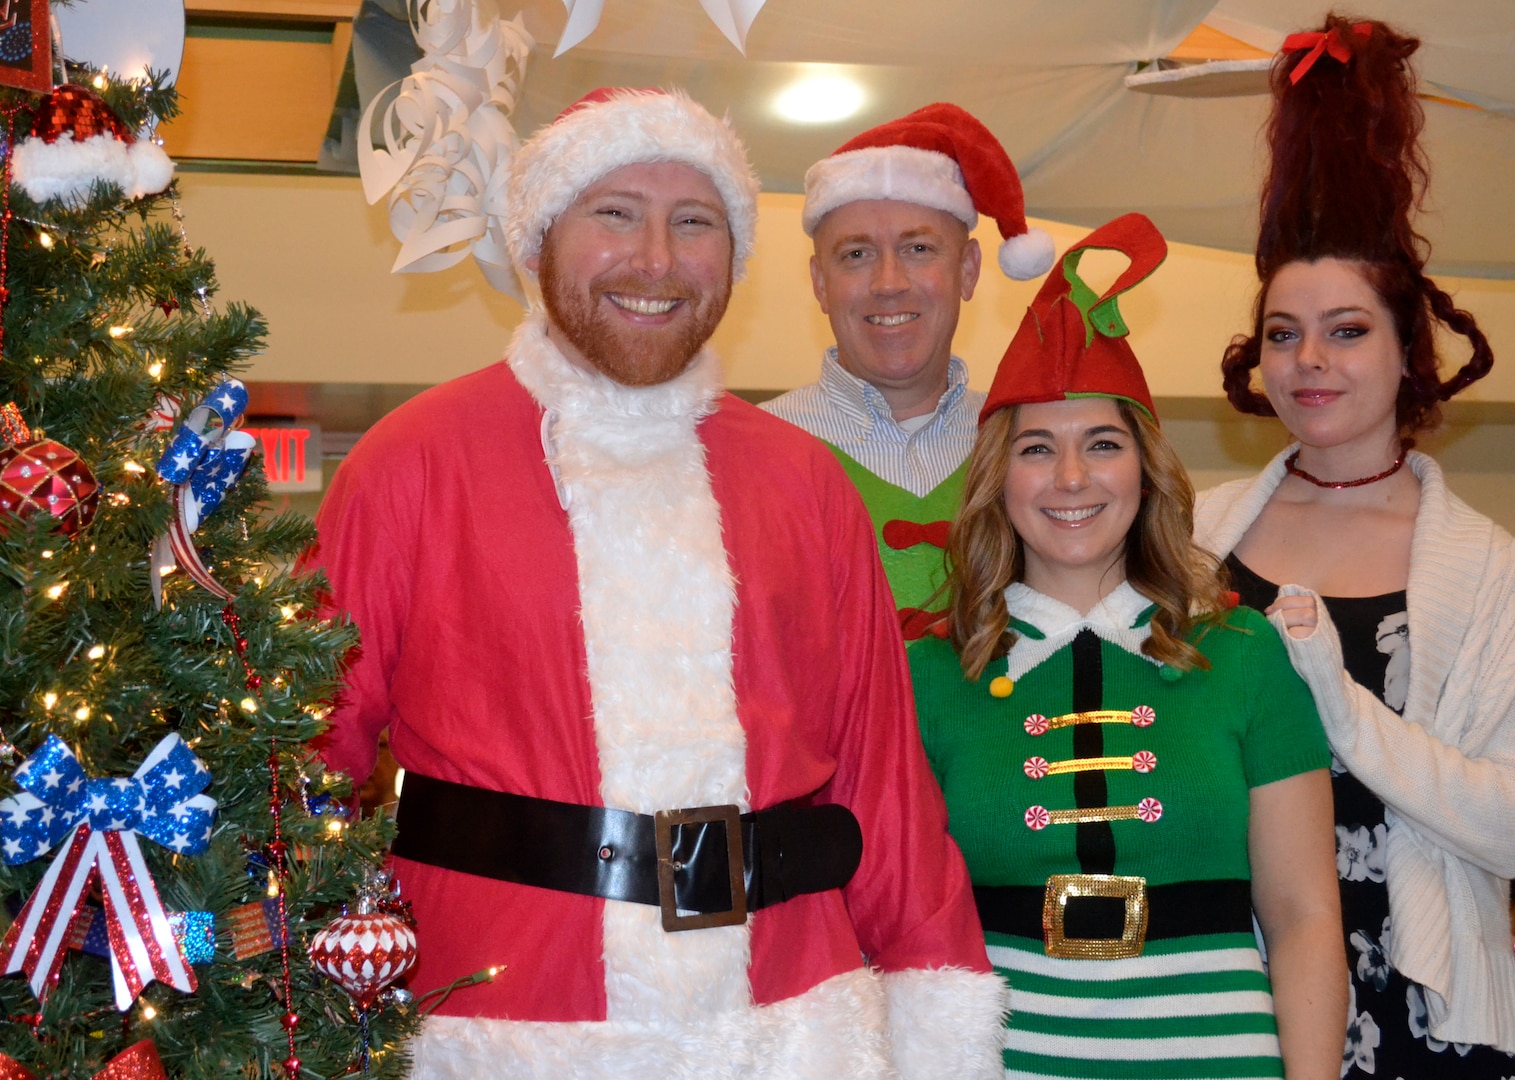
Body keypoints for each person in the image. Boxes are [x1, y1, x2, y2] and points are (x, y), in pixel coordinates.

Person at [310, 87, 1007, 1078]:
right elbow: (301, 770)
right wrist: (238, 977)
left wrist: (939, 1026)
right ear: (540, 239)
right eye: (614, 215)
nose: (656, 260)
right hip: (500, 1029)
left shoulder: (803, 481)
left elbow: (882, 791)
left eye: (695, 223)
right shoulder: (408, 465)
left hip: (791, 1030)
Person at [1195, 17, 1515, 1076]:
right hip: (1228, 988)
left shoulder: (1491, 571)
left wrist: (1339, 705)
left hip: (1426, 1007)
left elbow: (1510, 828)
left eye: (1345, 330)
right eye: (1280, 332)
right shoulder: (1191, 537)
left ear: (1408, 355)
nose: (1308, 359)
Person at [911, 212, 1345, 1079]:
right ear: (1000, 479)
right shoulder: (928, 673)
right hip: (1005, 1061)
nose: (1071, 479)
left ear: (1145, 471)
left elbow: (1302, 916)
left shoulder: (1246, 654)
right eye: (1039, 450)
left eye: (1102, 445)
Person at [764, 104, 1055, 636]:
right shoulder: (754, 449)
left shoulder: (1031, 442)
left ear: (967, 270)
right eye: (855, 255)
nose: (889, 282)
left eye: (919, 249)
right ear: (819, 283)